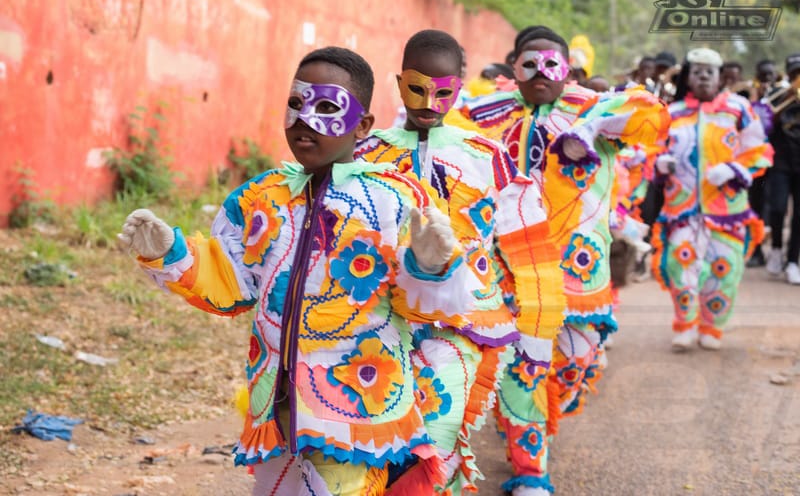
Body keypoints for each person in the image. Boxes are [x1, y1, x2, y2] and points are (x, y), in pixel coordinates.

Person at [118, 46, 475, 495]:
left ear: (363, 125)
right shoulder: (260, 198)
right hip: (277, 407)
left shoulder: (396, 201)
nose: (305, 119)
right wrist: (173, 255)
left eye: (327, 107)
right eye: (295, 103)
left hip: (357, 411)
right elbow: (232, 283)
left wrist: (429, 266)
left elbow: (426, 309)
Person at [453, 25, 669, 495]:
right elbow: (440, 125)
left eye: (551, 63)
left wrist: (590, 128)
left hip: (578, 271)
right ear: (514, 67)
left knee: (575, 361)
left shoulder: (592, 107)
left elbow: (648, 111)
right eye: (529, 63)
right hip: (512, 268)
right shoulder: (484, 113)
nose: (540, 73)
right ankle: (531, 470)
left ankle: (528, 423)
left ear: (566, 68)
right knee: (524, 368)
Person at [355, 29, 565, 495]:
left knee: (439, 430)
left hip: (463, 323)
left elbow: (528, 251)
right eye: (417, 87)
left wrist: (539, 326)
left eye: (443, 90)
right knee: (381, 436)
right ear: (398, 82)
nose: (429, 100)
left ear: (460, 88)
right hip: (380, 321)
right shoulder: (366, 155)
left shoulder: (486, 158)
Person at [651, 48, 773, 351]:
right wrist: (660, 163)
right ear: (688, 77)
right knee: (680, 263)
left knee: (724, 267)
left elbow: (759, 151)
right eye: (697, 71)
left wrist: (733, 169)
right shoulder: (673, 111)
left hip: (727, 208)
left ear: (720, 76)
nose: (704, 76)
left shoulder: (739, 108)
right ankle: (685, 324)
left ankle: (712, 327)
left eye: (710, 71)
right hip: (681, 207)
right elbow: (653, 149)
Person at [765, 52, 800, 283]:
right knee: (777, 208)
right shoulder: (776, 94)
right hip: (779, 160)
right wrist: (785, 98)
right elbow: (764, 122)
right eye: (795, 73)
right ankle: (776, 248)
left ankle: (793, 261)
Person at [746, 59, 780, 268]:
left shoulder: (782, 95)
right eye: (763, 76)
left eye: (771, 75)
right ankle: (756, 250)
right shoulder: (749, 97)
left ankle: (775, 249)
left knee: (775, 206)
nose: (767, 80)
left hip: (778, 161)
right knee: (755, 205)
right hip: (755, 160)